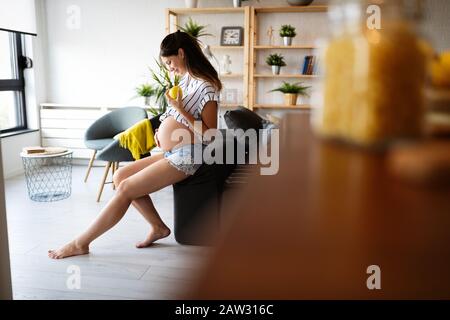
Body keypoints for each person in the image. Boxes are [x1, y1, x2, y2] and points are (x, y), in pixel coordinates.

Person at [48, 31, 222, 259]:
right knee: (120, 176)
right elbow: (176, 118)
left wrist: (179, 109)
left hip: (189, 155)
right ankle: (159, 228)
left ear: (181, 53)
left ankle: (81, 242)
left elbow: (210, 135)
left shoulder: (207, 86)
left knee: (126, 187)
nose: (169, 68)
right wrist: (162, 130)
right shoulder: (186, 80)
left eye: (170, 62)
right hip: (173, 150)